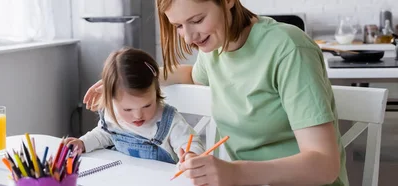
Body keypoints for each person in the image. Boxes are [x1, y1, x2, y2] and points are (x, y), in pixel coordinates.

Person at [83, 0, 348, 185]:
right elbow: (193, 76)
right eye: (177, 25)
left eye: (196, 20)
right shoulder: (215, 48)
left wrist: (235, 174)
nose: (188, 38)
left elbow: (324, 166)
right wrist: (127, 82)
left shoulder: (288, 49)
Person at [65, 47, 205, 164]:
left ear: (156, 91)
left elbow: (190, 142)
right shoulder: (112, 114)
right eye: (127, 109)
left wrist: (190, 155)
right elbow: (103, 135)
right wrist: (82, 143)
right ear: (111, 100)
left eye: (147, 105)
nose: (138, 115)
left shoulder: (169, 120)